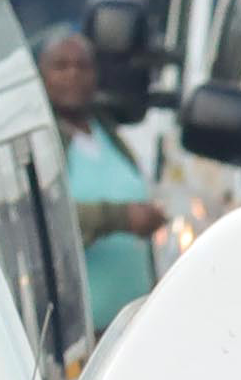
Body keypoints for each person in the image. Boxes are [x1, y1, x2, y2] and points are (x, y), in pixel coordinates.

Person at [38, 29, 164, 336]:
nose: (73, 74)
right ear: (41, 76)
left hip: (133, 326)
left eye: (83, 66)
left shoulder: (106, 133)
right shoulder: (44, 143)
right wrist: (121, 218)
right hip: (81, 335)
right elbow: (48, 219)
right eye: (61, 66)